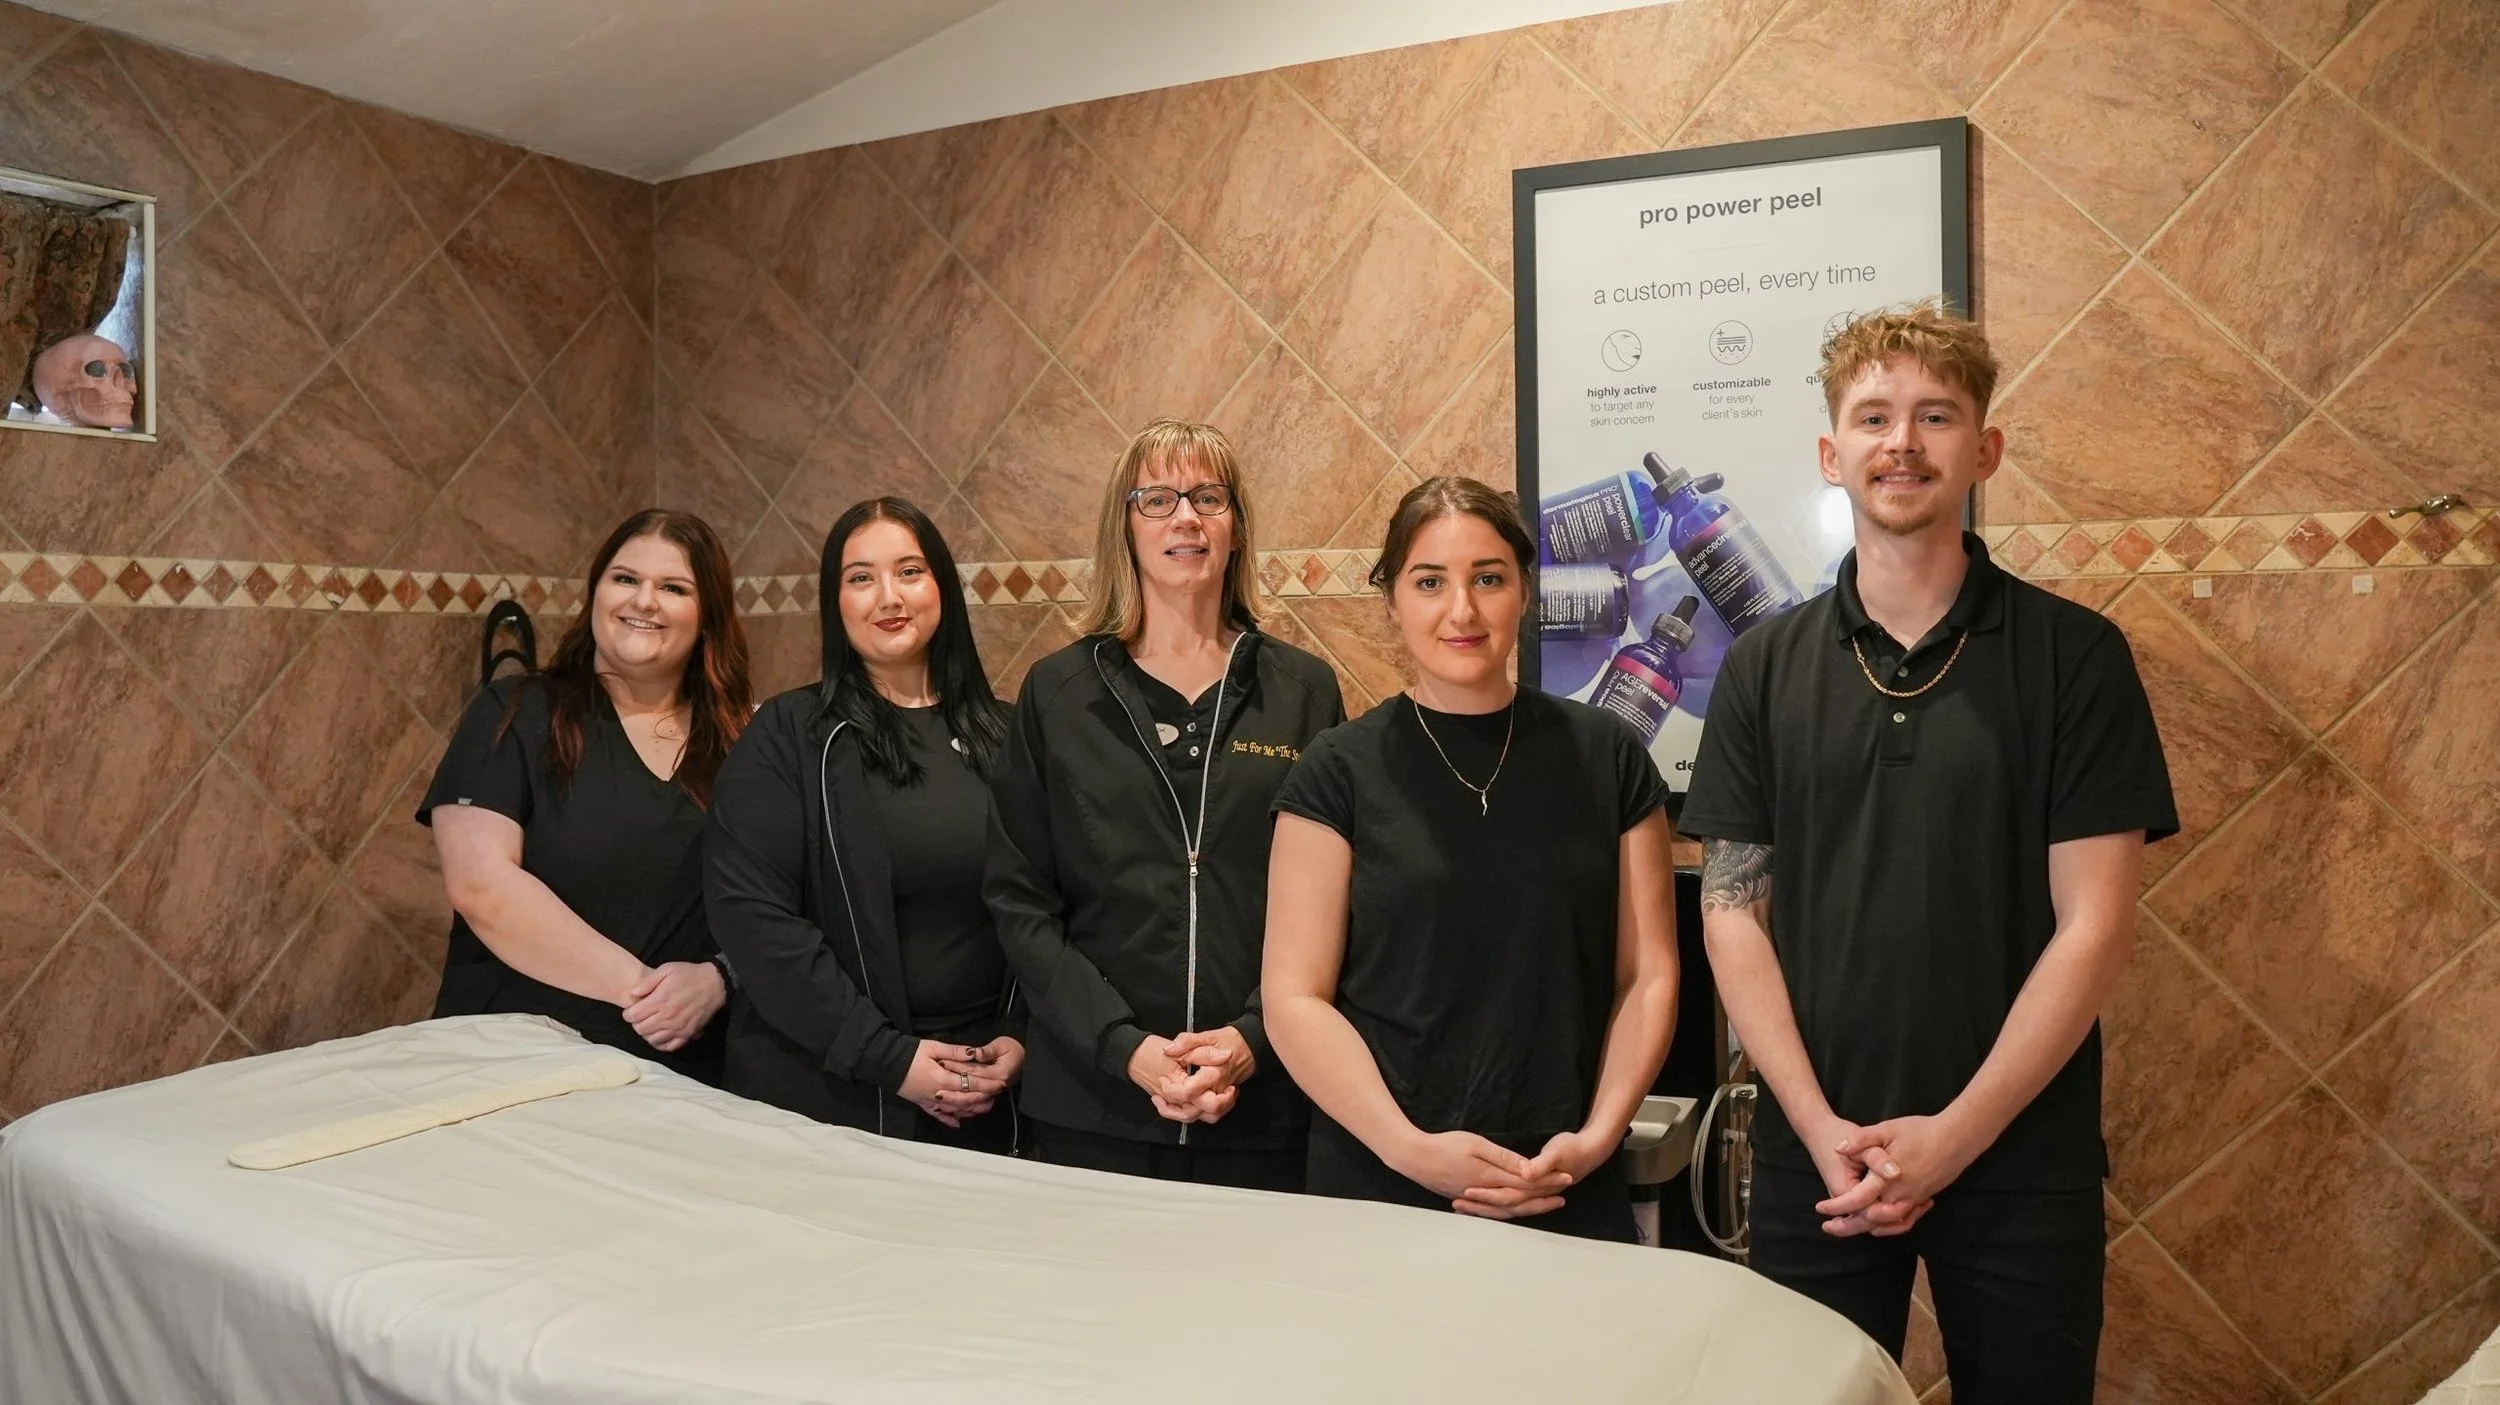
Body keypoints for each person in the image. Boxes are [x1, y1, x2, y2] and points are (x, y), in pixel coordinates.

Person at [1679, 301, 2175, 1403]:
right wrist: (1816, 1126)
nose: (1901, 442)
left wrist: (1955, 1136)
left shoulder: (2075, 659)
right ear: (1831, 452)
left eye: (1934, 416)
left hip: (2018, 1155)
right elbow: (1730, 908)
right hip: (1820, 1154)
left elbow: (2094, 926)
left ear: (1982, 447)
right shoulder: (1759, 668)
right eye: (1873, 417)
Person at [1263, 476, 1680, 1241]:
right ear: (1393, 601)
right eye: (1430, 582)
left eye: (1489, 578)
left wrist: (1593, 1140)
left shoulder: (1607, 757)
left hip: (1564, 1179)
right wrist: (1407, 1147)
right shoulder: (1336, 771)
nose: (1463, 610)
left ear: (1525, 591)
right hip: (1381, 1185)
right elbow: (1294, 997)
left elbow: (1647, 974)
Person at [985, 418, 1344, 1189]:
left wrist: (1253, 1037)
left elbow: (1335, 898)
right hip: (1091, 1108)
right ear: (1126, 525)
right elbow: (1020, 902)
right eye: (1158, 498)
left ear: (1237, 527)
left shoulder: (1303, 691)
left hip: (1264, 1105)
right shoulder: (1058, 693)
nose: (1186, 516)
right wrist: (1124, 1047)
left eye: (1208, 497)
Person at [705, 497, 1023, 1149]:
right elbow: (754, 920)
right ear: (836, 602)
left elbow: (1055, 906)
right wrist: (890, 1059)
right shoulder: (788, 736)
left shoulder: (1014, 734)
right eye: (860, 577)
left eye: (910, 571)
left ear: (942, 587)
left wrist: (1024, 1038)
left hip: (991, 1095)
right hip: (829, 1097)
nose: (888, 595)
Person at [422, 509, 754, 1081]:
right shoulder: (514, 712)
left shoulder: (744, 742)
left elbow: (782, 902)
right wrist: (645, 994)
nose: (644, 601)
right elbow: (481, 886)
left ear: (707, 617)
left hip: (687, 1078)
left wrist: (719, 979)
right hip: (515, 1058)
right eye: (625, 579)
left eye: (673, 587)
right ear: (596, 592)